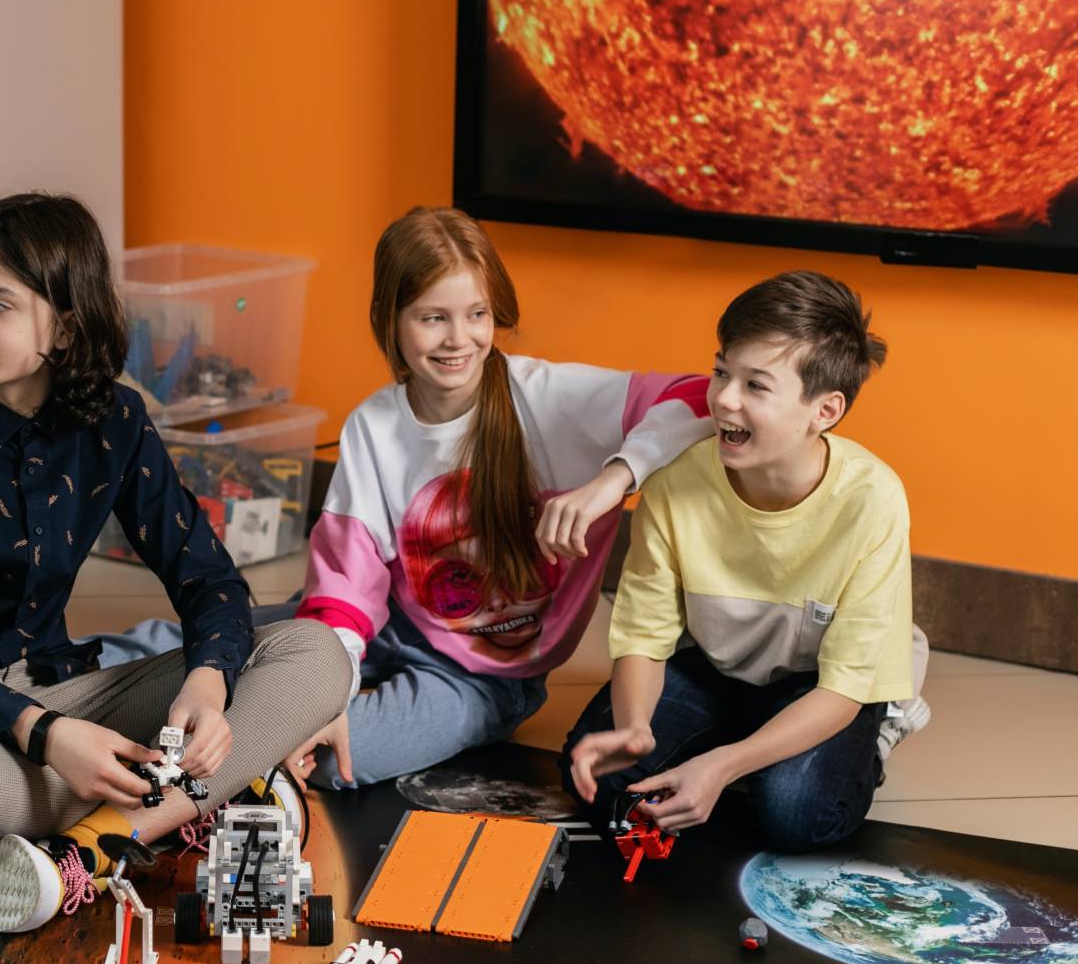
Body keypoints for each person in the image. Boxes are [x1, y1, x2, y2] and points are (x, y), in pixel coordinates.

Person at [0, 192, 351, 934]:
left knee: (316, 654)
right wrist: (46, 737)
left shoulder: (115, 422)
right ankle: (185, 795)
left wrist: (208, 680)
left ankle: (98, 842)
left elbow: (208, 577)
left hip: (63, 694)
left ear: (65, 324)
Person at [97, 206, 713, 789]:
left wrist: (613, 480)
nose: (459, 339)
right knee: (208, 646)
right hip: (378, 619)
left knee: (324, 761)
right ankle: (67, 682)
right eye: (432, 317)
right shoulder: (373, 426)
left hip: (477, 678)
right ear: (390, 320)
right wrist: (323, 692)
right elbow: (345, 592)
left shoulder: (554, 398)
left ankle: (188, 747)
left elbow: (701, 396)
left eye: (477, 314)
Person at [561, 270, 931, 850]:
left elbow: (842, 687)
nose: (723, 399)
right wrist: (634, 728)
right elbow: (644, 634)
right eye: (721, 371)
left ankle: (880, 724)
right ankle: (735, 737)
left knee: (795, 812)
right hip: (717, 666)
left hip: (821, 686)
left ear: (825, 411)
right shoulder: (677, 482)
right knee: (601, 780)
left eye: (756, 386)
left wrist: (725, 766)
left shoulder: (873, 499)